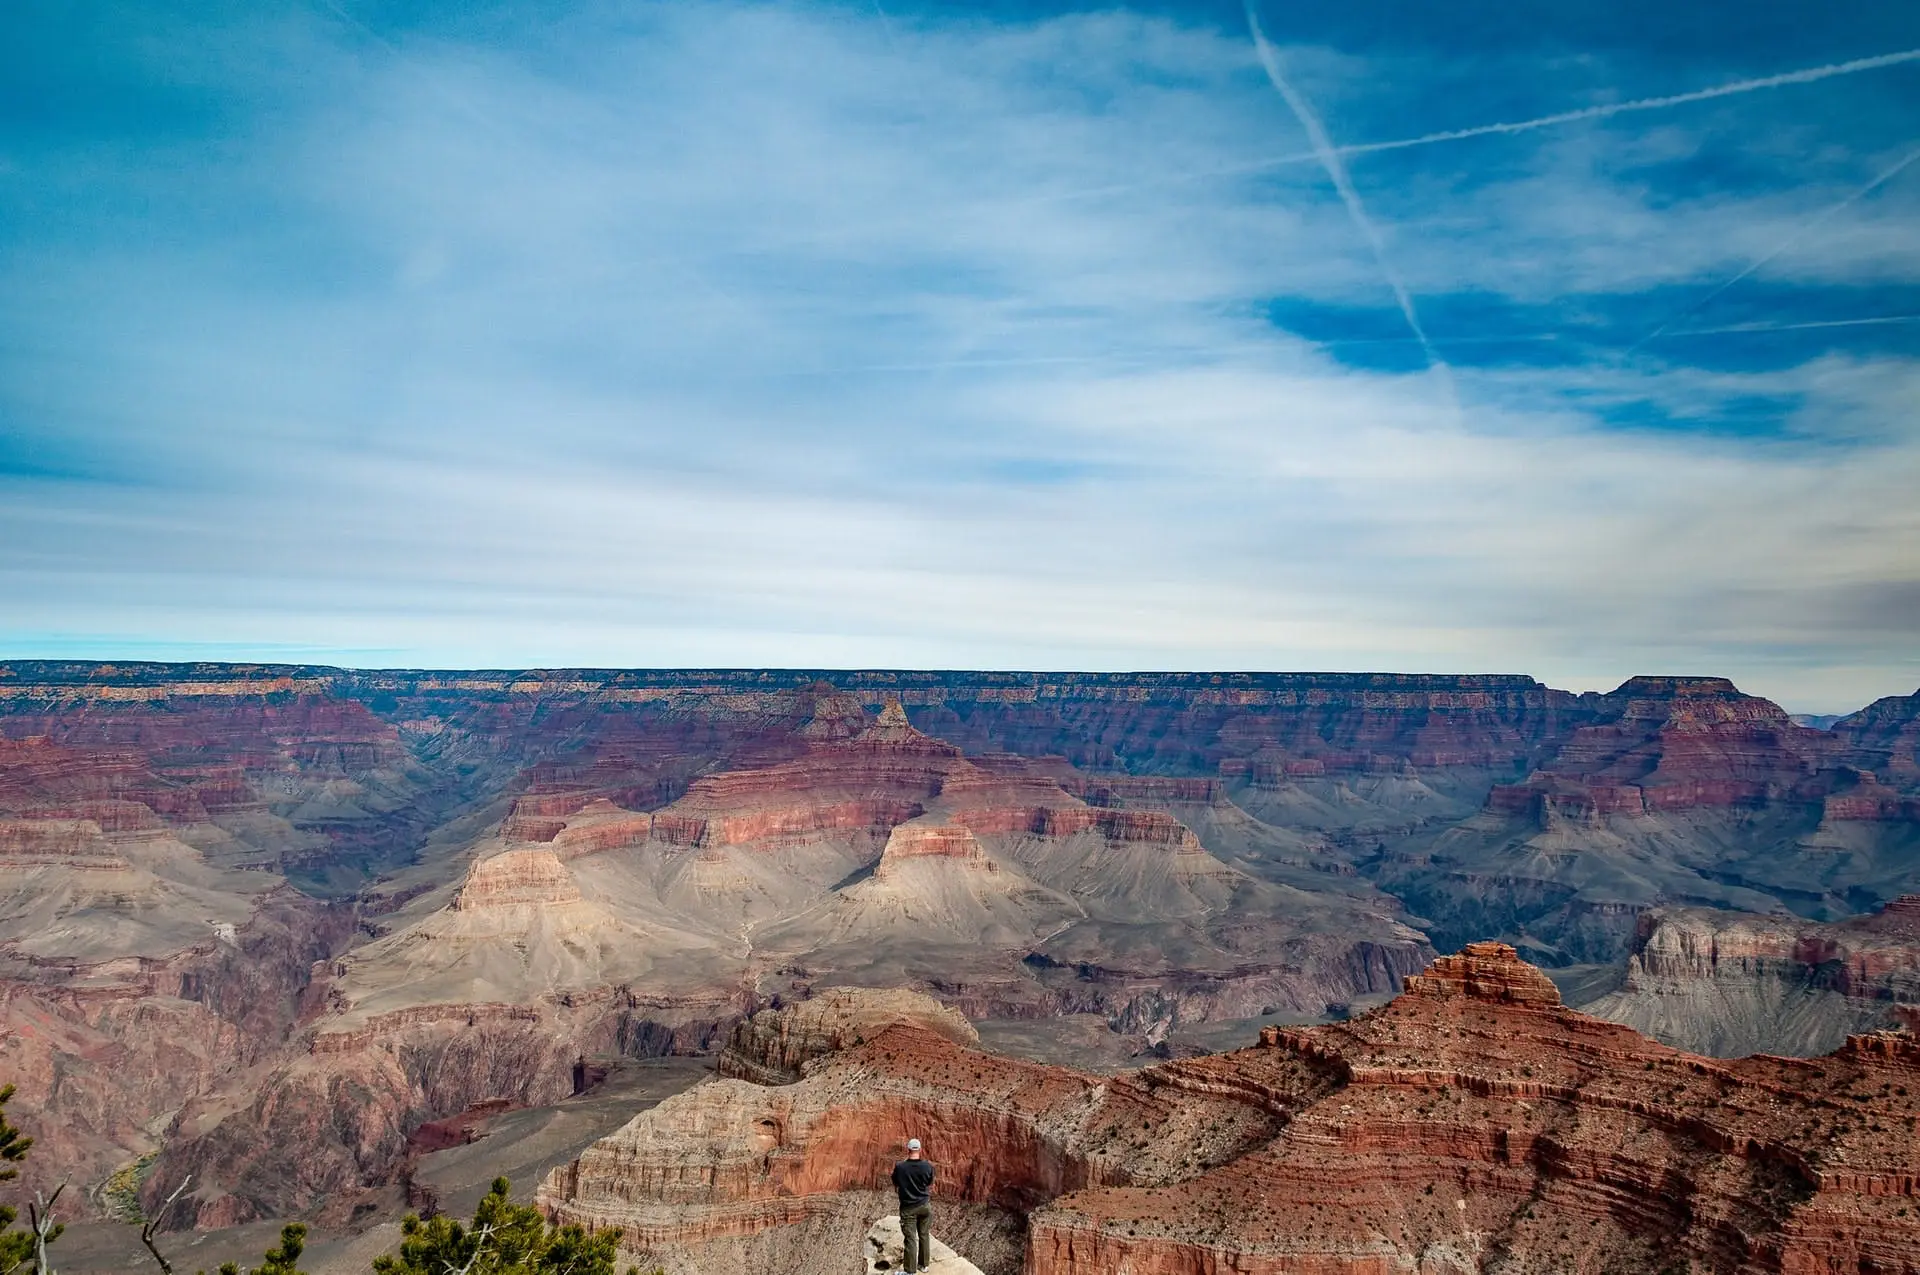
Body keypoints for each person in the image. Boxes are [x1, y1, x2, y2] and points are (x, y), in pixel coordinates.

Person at [890, 1137, 936, 1273]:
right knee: (924, 1234)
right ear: (920, 1150)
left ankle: (909, 1271)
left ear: (908, 1149)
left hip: (908, 1208)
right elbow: (929, 1183)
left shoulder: (900, 1167)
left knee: (910, 1239)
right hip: (925, 1206)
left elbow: (895, 1182)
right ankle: (924, 1265)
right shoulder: (928, 1166)